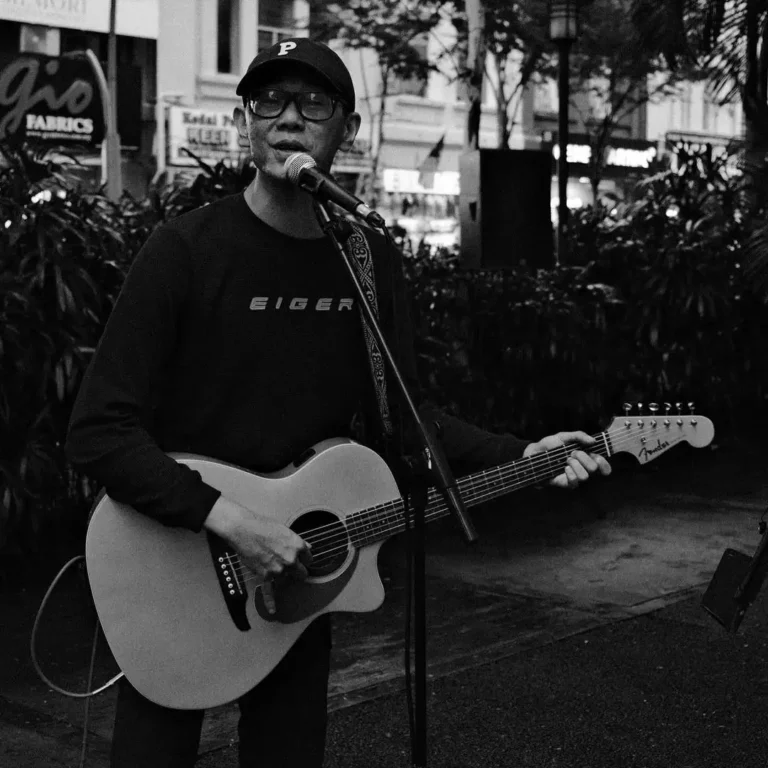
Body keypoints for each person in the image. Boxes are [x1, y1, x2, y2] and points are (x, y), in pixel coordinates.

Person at [65, 37, 611, 768]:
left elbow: (406, 423)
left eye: (313, 103)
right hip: (173, 561)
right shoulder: (184, 251)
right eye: (269, 102)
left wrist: (524, 457)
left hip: (297, 579)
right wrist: (231, 520)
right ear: (245, 123)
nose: (288, 119)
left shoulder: (366, 260)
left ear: (347, 131)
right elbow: (98, 431)